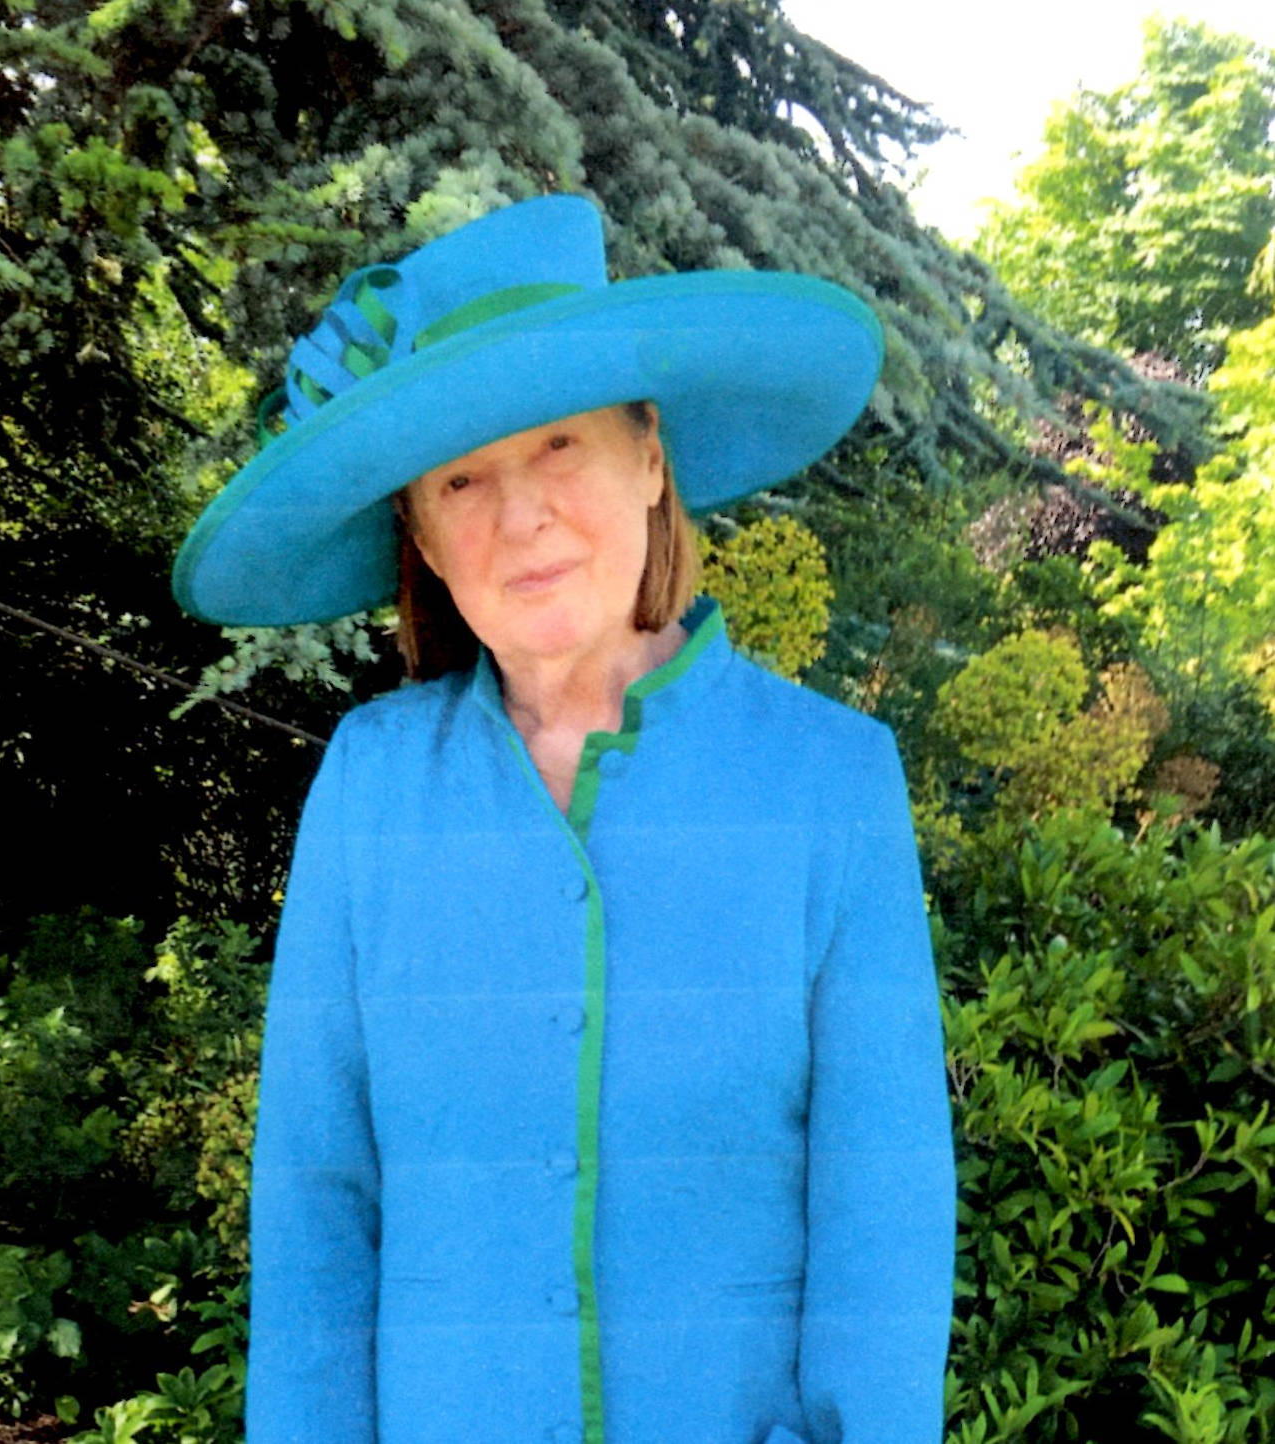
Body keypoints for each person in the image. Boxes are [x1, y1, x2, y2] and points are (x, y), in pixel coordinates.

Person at [172, 195, 956, 1444]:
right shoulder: (371, 788)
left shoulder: (830, 782)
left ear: (650, 458)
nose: (521, 516)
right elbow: (318, 1206)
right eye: (461, 477)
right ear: (422, 536)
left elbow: (886, 1219)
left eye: (558, 446)